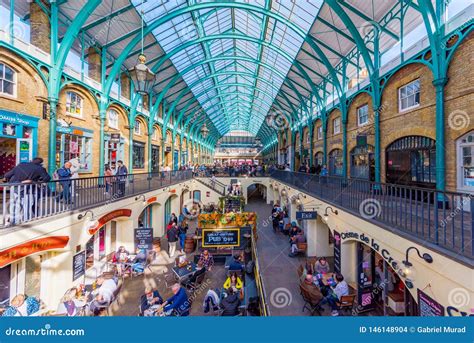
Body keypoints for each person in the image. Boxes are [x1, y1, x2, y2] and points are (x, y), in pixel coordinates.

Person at [4, 157, 51, 225]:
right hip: (28, 190)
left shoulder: (20, 165)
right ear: (41, 163)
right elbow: (47, 179)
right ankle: (25, 221)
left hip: (15, 188)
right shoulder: (39, 168)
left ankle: (14, 221)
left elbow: (7, 175)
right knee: (26, 206)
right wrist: (34, 180)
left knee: (15, 205)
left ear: (31, 161)